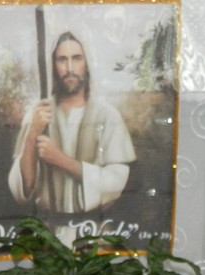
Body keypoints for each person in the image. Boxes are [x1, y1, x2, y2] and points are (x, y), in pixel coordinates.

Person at [8, 31, 136, 218]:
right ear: (53, 66)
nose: (69, 68)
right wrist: (32, 134)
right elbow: (22, 190)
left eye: (76, 59)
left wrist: (62, 161)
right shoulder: (38, 115)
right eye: (62, 60)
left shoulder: (108, 116)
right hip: (46, 229)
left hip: (94, 228)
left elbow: (116, 183)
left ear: (87, 64)